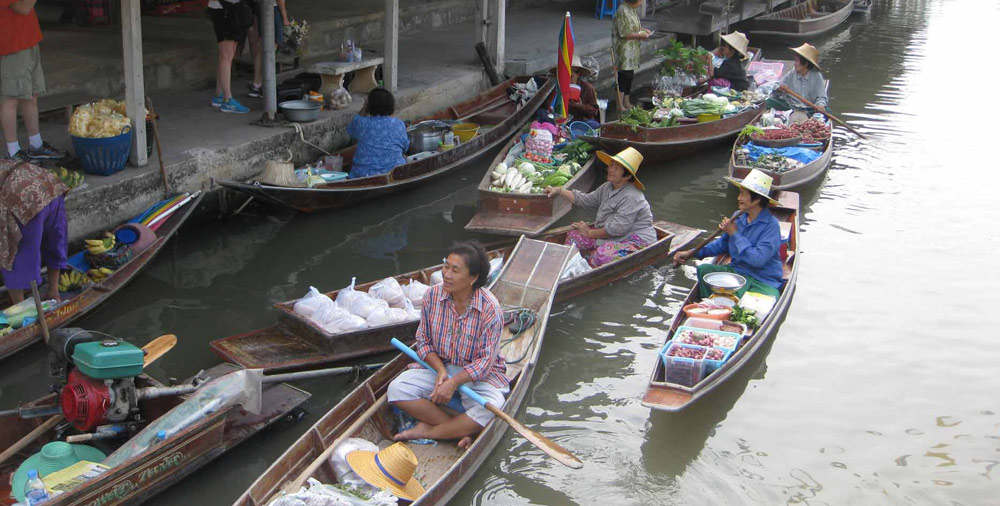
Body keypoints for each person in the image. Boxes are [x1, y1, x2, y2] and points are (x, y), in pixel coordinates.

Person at [388, 241, 508, 449]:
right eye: (446, 266)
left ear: (473, 278)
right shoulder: (432, 296)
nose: (446, 274)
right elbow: (423, 342)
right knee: (397, 389)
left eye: (455, 270)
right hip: (441, 368)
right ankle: (461, 428)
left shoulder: (490, 309)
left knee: (492, 408)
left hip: (477, 377)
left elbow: (485, 363)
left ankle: (432, 431)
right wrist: (442, 371)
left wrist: (454, 383)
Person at [672, 168, 784, 299]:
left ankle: (726, 301)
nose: (738, 198)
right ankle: (711, 304)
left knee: (765, 300)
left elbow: (757, 260)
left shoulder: (771, 226)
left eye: (743, 194)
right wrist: (691, 253)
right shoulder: (737, 217)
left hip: (762, 279)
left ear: (757, 199)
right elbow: (721, 245)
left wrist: (734, 233)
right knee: (704, 270)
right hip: (737, 273)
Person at [544, 147, 655, 267]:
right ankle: (573, 263)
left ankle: (588, 262)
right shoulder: (607, 187)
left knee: (602, 256)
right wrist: (560, 191)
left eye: (616, 168)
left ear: (627, 176)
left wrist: (589, 233)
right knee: (573, 236)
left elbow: (616, 229)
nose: (610, 170)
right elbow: (585, 200)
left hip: (634, 239)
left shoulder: (632, 197)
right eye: (611, 165)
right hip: (612, 236)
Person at [2, 0, 66, 162]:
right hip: (11, 44)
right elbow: (22, 7)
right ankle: (13, 151)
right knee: (10, 99)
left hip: (27, 39)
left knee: (31, 95)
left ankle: (36, 145)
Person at [1, 159, 69, 305]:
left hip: (22, 197)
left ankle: (19, 306)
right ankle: (53, 292)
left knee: (12, 253)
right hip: (49, 185)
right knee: (54, 240)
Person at [346, 87, 408, 179]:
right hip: (393, 173)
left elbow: (350, 131)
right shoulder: (399, 124)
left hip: (362, 174)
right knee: (404, 157)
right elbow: (405, 147)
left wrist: (364, 108)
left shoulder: (361, 123)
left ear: (369, 106)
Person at [207, 0, 251, 113]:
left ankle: (220, 94)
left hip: (227, 8)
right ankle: (227, 99)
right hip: (224, 9)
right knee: (226, 56)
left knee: (226, 55)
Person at [767, 43, 828, 117]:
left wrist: (820, 105)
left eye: (796, 61)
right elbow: (776, 86)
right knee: (769, 102)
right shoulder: (792, 73)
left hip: (809, 108)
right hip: (791, 106)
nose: (794, 64)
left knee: (827, 111)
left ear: (805, 64)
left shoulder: (817, 76)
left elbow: (821, 97)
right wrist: (779, 88)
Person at [612, 0, 652, 111]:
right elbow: (624, 33)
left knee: (629, 76)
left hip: (632, 49)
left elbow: (633, 28)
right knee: (623, 76)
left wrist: (643, 30)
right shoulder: (623, 11)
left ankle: (626, 101)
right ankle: (619, 104)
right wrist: (641, 35)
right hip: (623, 49)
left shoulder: (631, 9)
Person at [247, 0, 290, 99]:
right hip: (273, 9)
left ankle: (256, 84)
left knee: (262, 48)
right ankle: (265, 84)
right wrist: (285, 17)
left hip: (262, 8)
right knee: (271, 48)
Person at [564, 55, 600, 124]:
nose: (567, 80)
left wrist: (581, 106)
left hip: (581, 122)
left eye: (571, 77)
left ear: (578, 74)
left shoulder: (588, 88)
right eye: (565, 77)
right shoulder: (559, 86)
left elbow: (595, 111)